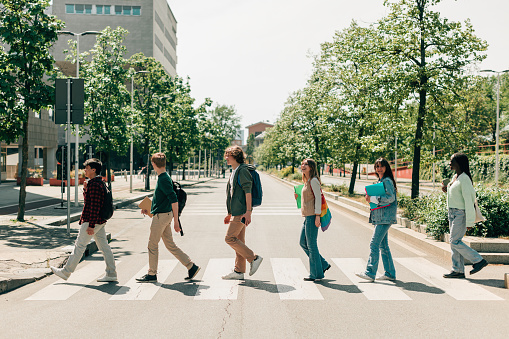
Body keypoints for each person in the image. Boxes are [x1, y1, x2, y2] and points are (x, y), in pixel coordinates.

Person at [51, 158, 118, 282]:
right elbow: (90, 202)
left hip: (92, 220)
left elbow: (94, 207)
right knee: (104, 246)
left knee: (80, 246)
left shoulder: (95, 185)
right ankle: (111, 273)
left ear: (93, 170)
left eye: (86, 168)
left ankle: (66, 272)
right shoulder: (98, 183)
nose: (84, 170)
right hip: (99, 221)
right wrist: (86, 189)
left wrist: (91, 225)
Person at [137, 153, 200, 282]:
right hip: (163, 215)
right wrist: (149, 209)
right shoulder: (164, 177)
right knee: (170, 245)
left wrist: (176, 221)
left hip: (162, 217)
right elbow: (162, 201)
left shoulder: (163, 179)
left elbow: (174, 200)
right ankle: (191, 266)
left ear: (153, 164)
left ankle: (152, 274)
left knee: (152, 245)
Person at [441, 153, 488, 278]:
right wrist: (447, 189)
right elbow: (456, 196)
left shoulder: (465, 179)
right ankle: (458, 270)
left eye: (452, 161)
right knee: (454, 242)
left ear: (459, 163)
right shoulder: (456, 177)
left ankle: (478, 260)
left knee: (454, 241)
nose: (450, 163)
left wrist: (469, 222)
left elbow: (469, 200)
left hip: (460, 214)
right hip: (452, 213)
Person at [222, 146, 263, 280]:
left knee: (229, 238)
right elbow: (232, 193)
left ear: (235, 156)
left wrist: (248, 212)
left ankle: (254, 258)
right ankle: (239, 271)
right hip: (236, 211)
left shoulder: (243, 170)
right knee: (239, 241)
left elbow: (248, 191)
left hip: (242, 212)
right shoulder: (234, 171)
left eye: (228, 155)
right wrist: (230, 213)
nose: (226, 157)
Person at [356, 157, 397, 282]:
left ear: (386, 167)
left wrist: (374, 199)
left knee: (374, 244)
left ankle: (370, 272)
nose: (379, 169)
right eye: (377, 166)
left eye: (381, 166)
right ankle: (390, 273)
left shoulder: (387, 181)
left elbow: (390, 198)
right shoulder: (381, 181)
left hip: (385, 217)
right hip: (381, 217)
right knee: (383, 246)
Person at [294, 158, 330, 281]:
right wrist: (298, 197)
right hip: (307, 216)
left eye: (306, 164)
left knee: (311, 245)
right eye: (302, 164)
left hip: (312, 216)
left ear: (311, 167)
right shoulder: (307, 181)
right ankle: (322, 264)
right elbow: (309, 198)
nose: (303, 166)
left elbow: (318, 199)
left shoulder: (314, 181)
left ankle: (316, 274)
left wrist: (317, 216)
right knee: (303, 242)